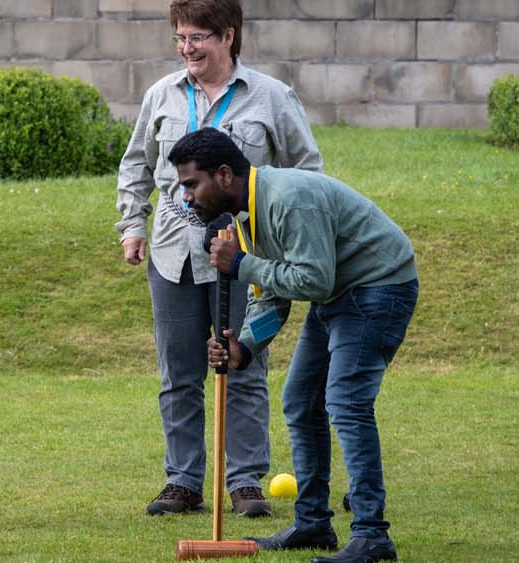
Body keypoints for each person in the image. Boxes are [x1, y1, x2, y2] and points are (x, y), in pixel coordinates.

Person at [114, 0, 323, 518]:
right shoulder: (161, 95)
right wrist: (131, 226)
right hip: (172, 256)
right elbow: (136, 163)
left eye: (197, 38)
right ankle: (183, 481)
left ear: (228, 36)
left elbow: (307, 171)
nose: (187, 49)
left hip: (247, 256)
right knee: (179, 372)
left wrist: (288, 238)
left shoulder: (272, 98)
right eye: (180, 38)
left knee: (242, 364)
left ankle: (246, 481)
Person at [177, 129, 416, 563]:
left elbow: (313, 278)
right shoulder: (244, 216)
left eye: (192, 184)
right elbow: (273, 296)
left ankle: (372, 535)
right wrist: (243, 346)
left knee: (345, 400)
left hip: (378, 285)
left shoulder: (287, 199)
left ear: (224, 175)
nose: (187, 197)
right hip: (339, 293)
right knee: (302, 401)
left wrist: (243, 264)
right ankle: (313, 523)